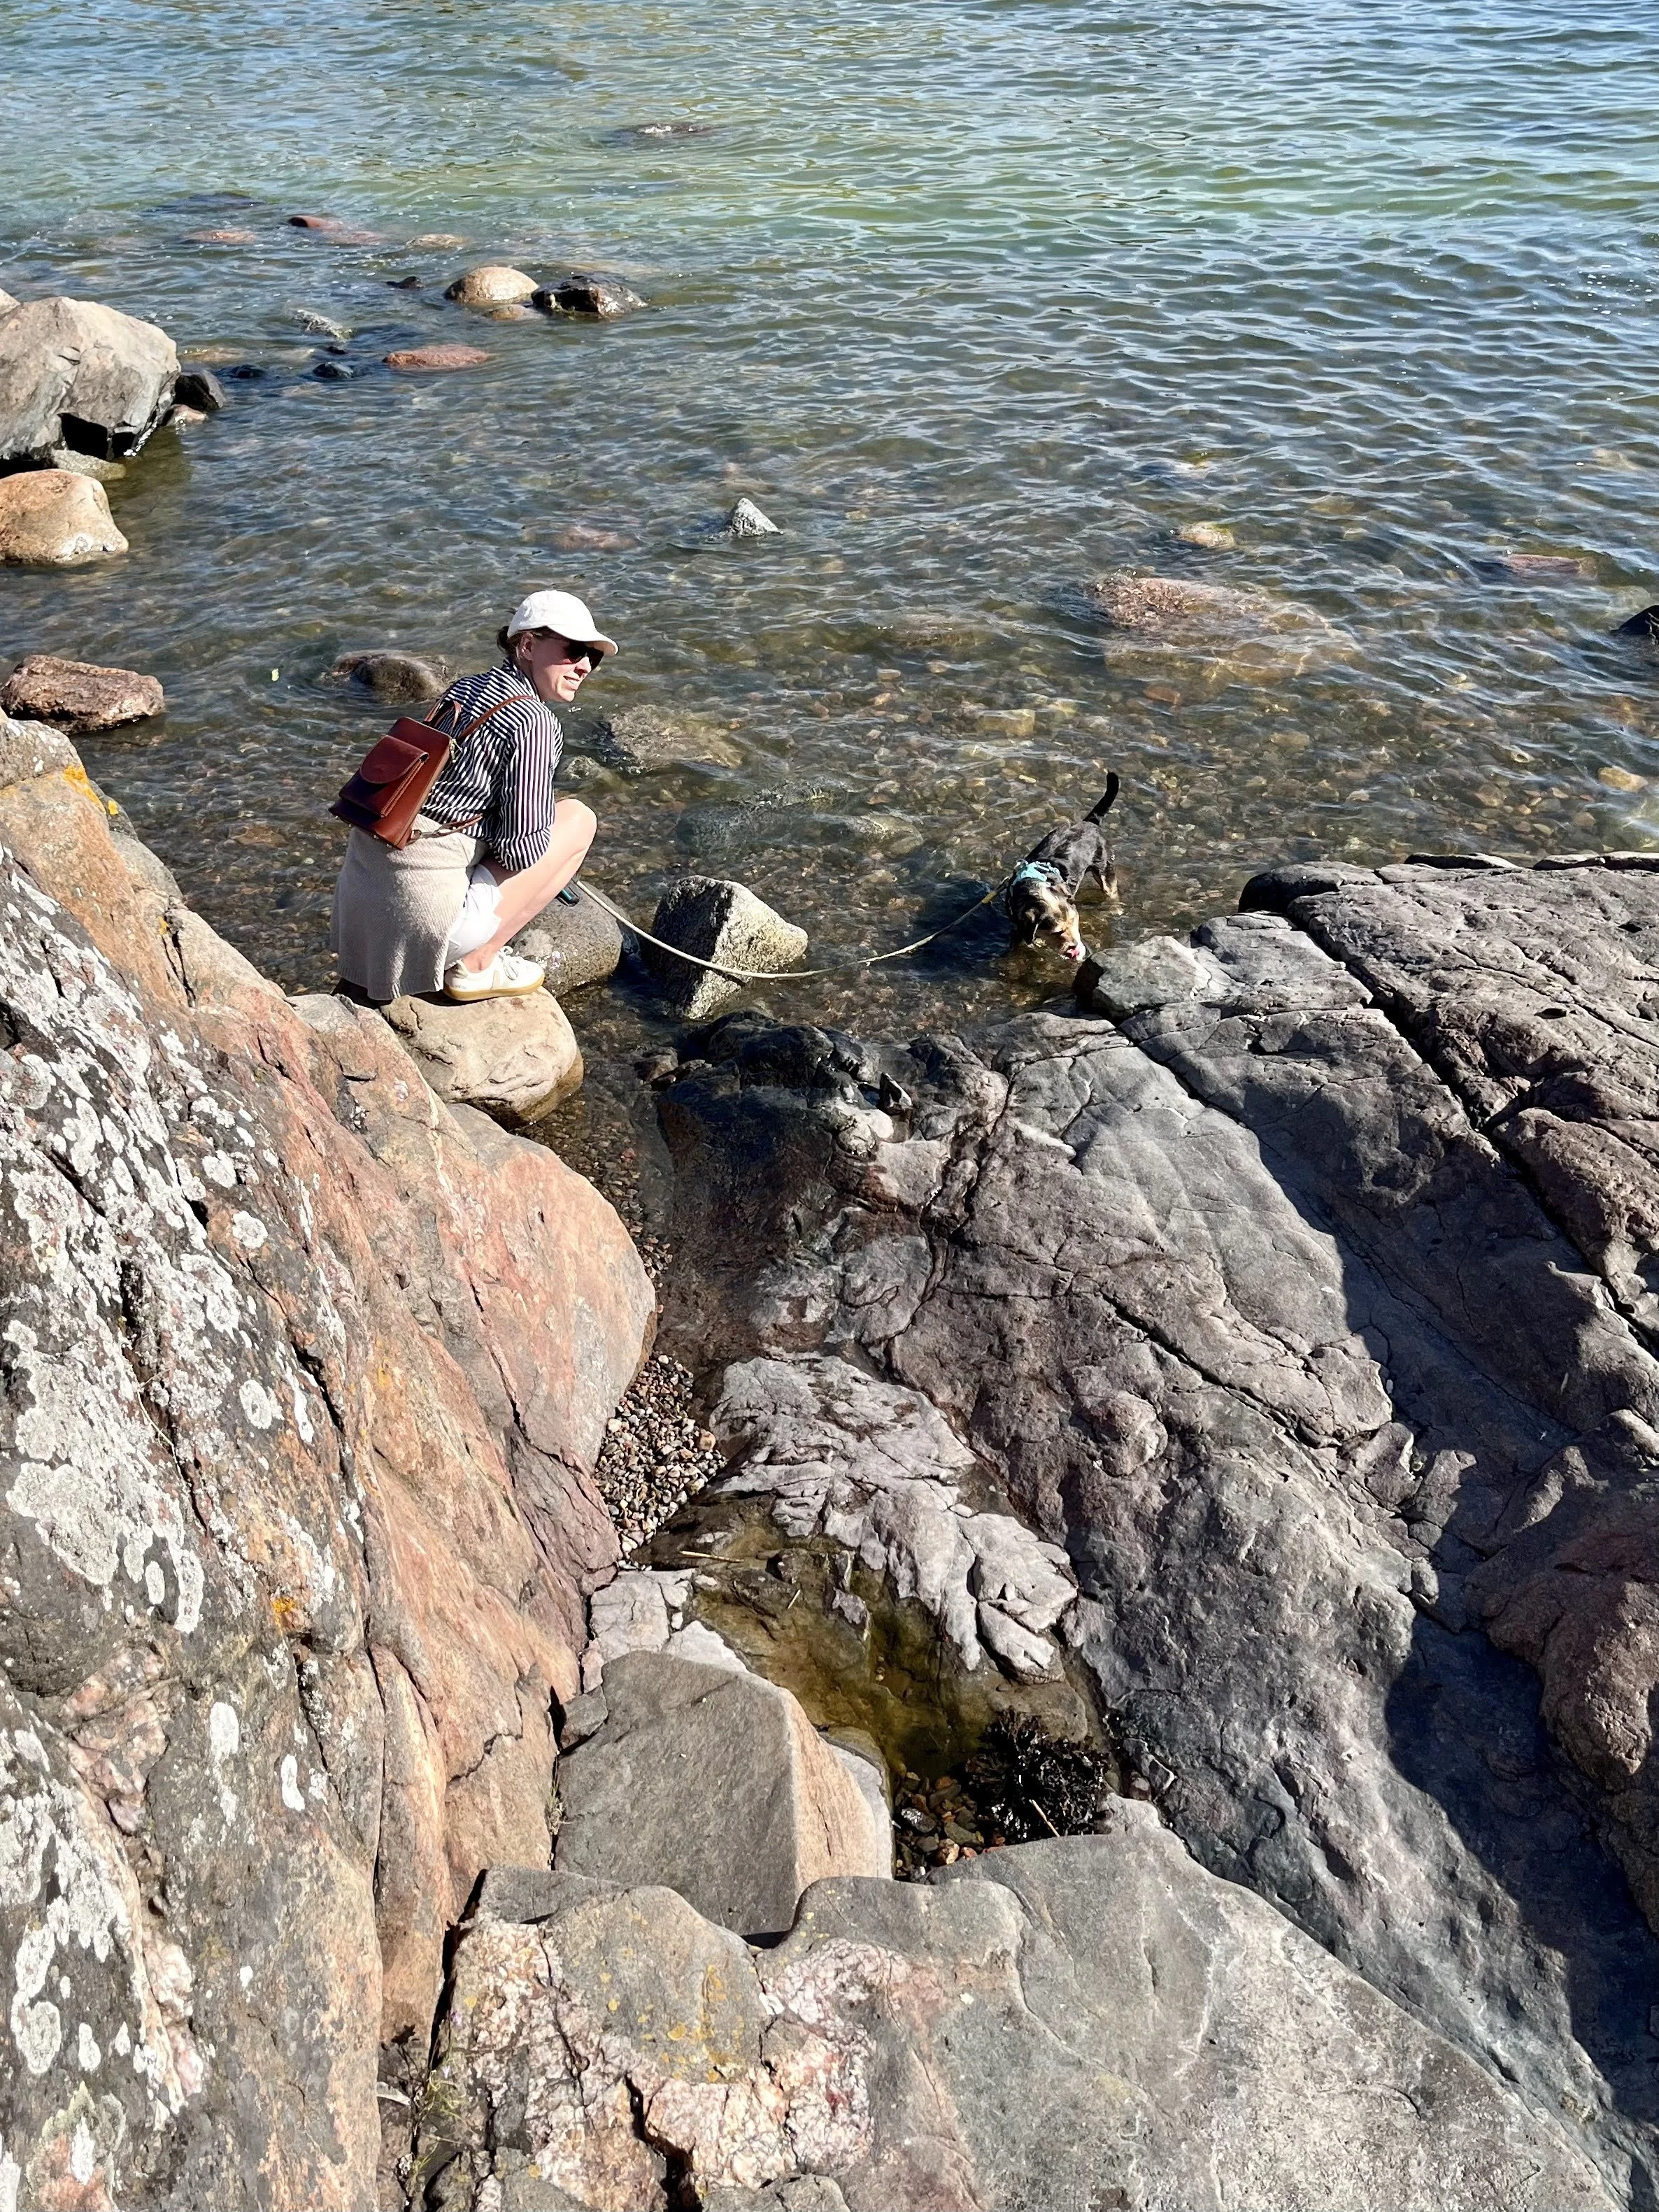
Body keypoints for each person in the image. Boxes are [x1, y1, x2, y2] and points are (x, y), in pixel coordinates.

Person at [329, 589, 612, 1004]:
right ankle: (477, 965)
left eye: (593, 657)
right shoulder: (535, 722)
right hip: (421, 925)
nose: (584, 666)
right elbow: (521, 850)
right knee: (578, 819)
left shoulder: (463, 690)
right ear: (527, 645)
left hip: (358, 911)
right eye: (573, 650)